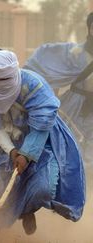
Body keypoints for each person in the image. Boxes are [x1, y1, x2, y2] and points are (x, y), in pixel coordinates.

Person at [0, 50, 85, 235]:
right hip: (5, 141)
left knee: (43, 188)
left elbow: (41, 126)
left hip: (42, 139)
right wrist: (12, 151)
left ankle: (27, 210)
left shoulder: (33, 84)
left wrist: (28, 154)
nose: (1, 85)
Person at [24, 12, 93, 167]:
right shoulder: (75, 53)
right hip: (75, 107)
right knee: (68, 146)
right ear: (90, 29)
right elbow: (45, 60)